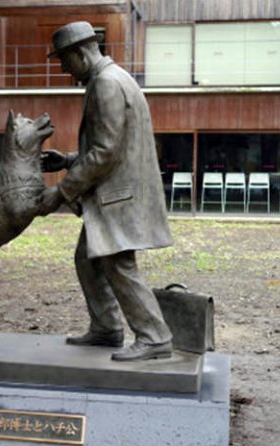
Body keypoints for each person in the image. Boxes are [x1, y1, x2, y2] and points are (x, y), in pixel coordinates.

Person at [39, 21, 173, 361]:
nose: (64, 69)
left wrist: (61, 192)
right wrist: (69, 159)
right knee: (87, 259)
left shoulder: (106, 84)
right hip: (118, 192)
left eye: (64, 61)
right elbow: (112, 145)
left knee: (117, 265)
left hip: (117, 197)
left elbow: (104, 153)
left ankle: (155, 336)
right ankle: (107, 327)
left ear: (81, 53)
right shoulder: (115, 78)